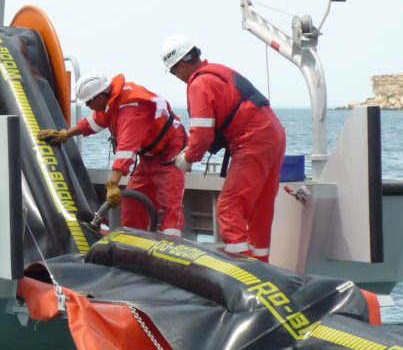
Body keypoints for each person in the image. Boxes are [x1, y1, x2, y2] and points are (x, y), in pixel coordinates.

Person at [161, 33, 286, 261]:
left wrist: (189, 157)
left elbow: (202, 132)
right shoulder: (220, 71)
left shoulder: (199, 83)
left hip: (252, 139)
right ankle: (262, 265)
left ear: (182, 64)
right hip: (273, 133)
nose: (175, 76)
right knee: (261, 206)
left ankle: (244, 270)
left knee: (229, 208)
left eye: (173, 71)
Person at [38, 72, 187, 236]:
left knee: (170, 201)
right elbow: (94, 122)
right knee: (133, 202)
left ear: (100, 97)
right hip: (149, 155)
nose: (87, 106)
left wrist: (113, 184)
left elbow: (126, 150)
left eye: (88, 102)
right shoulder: (112, 102)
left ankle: (172, 245)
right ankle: (133, 243)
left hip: (171, 150)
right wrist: (65, 134)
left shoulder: (132, 110)